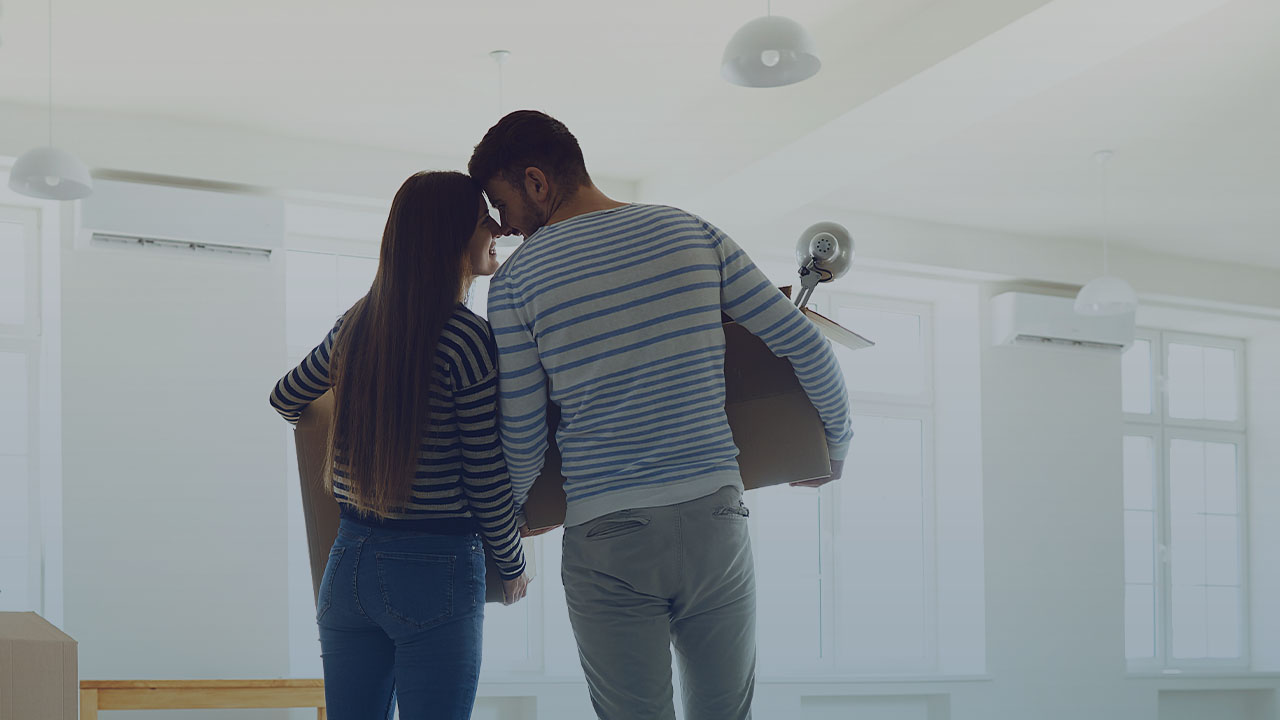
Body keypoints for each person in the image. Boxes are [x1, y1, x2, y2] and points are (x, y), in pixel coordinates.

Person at [469, 111, 851, 720]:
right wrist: (834, 449)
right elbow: (804, 343)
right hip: (714, 518)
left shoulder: (516, 283)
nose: (504, 225)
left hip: (608, 531)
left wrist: (513, 514)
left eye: (502, 203)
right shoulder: (690, 231)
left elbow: (521, 431)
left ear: (537, 182)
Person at [268, 170, 530, 720]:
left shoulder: (355, 326)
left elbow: (288, 397)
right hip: (435, 569)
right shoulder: (467, 339)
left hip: (349, 564)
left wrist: (360, 414)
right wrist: (511, 565)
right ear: (452, 236)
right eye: (487, 221)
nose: (498, 232)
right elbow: (485, 475)